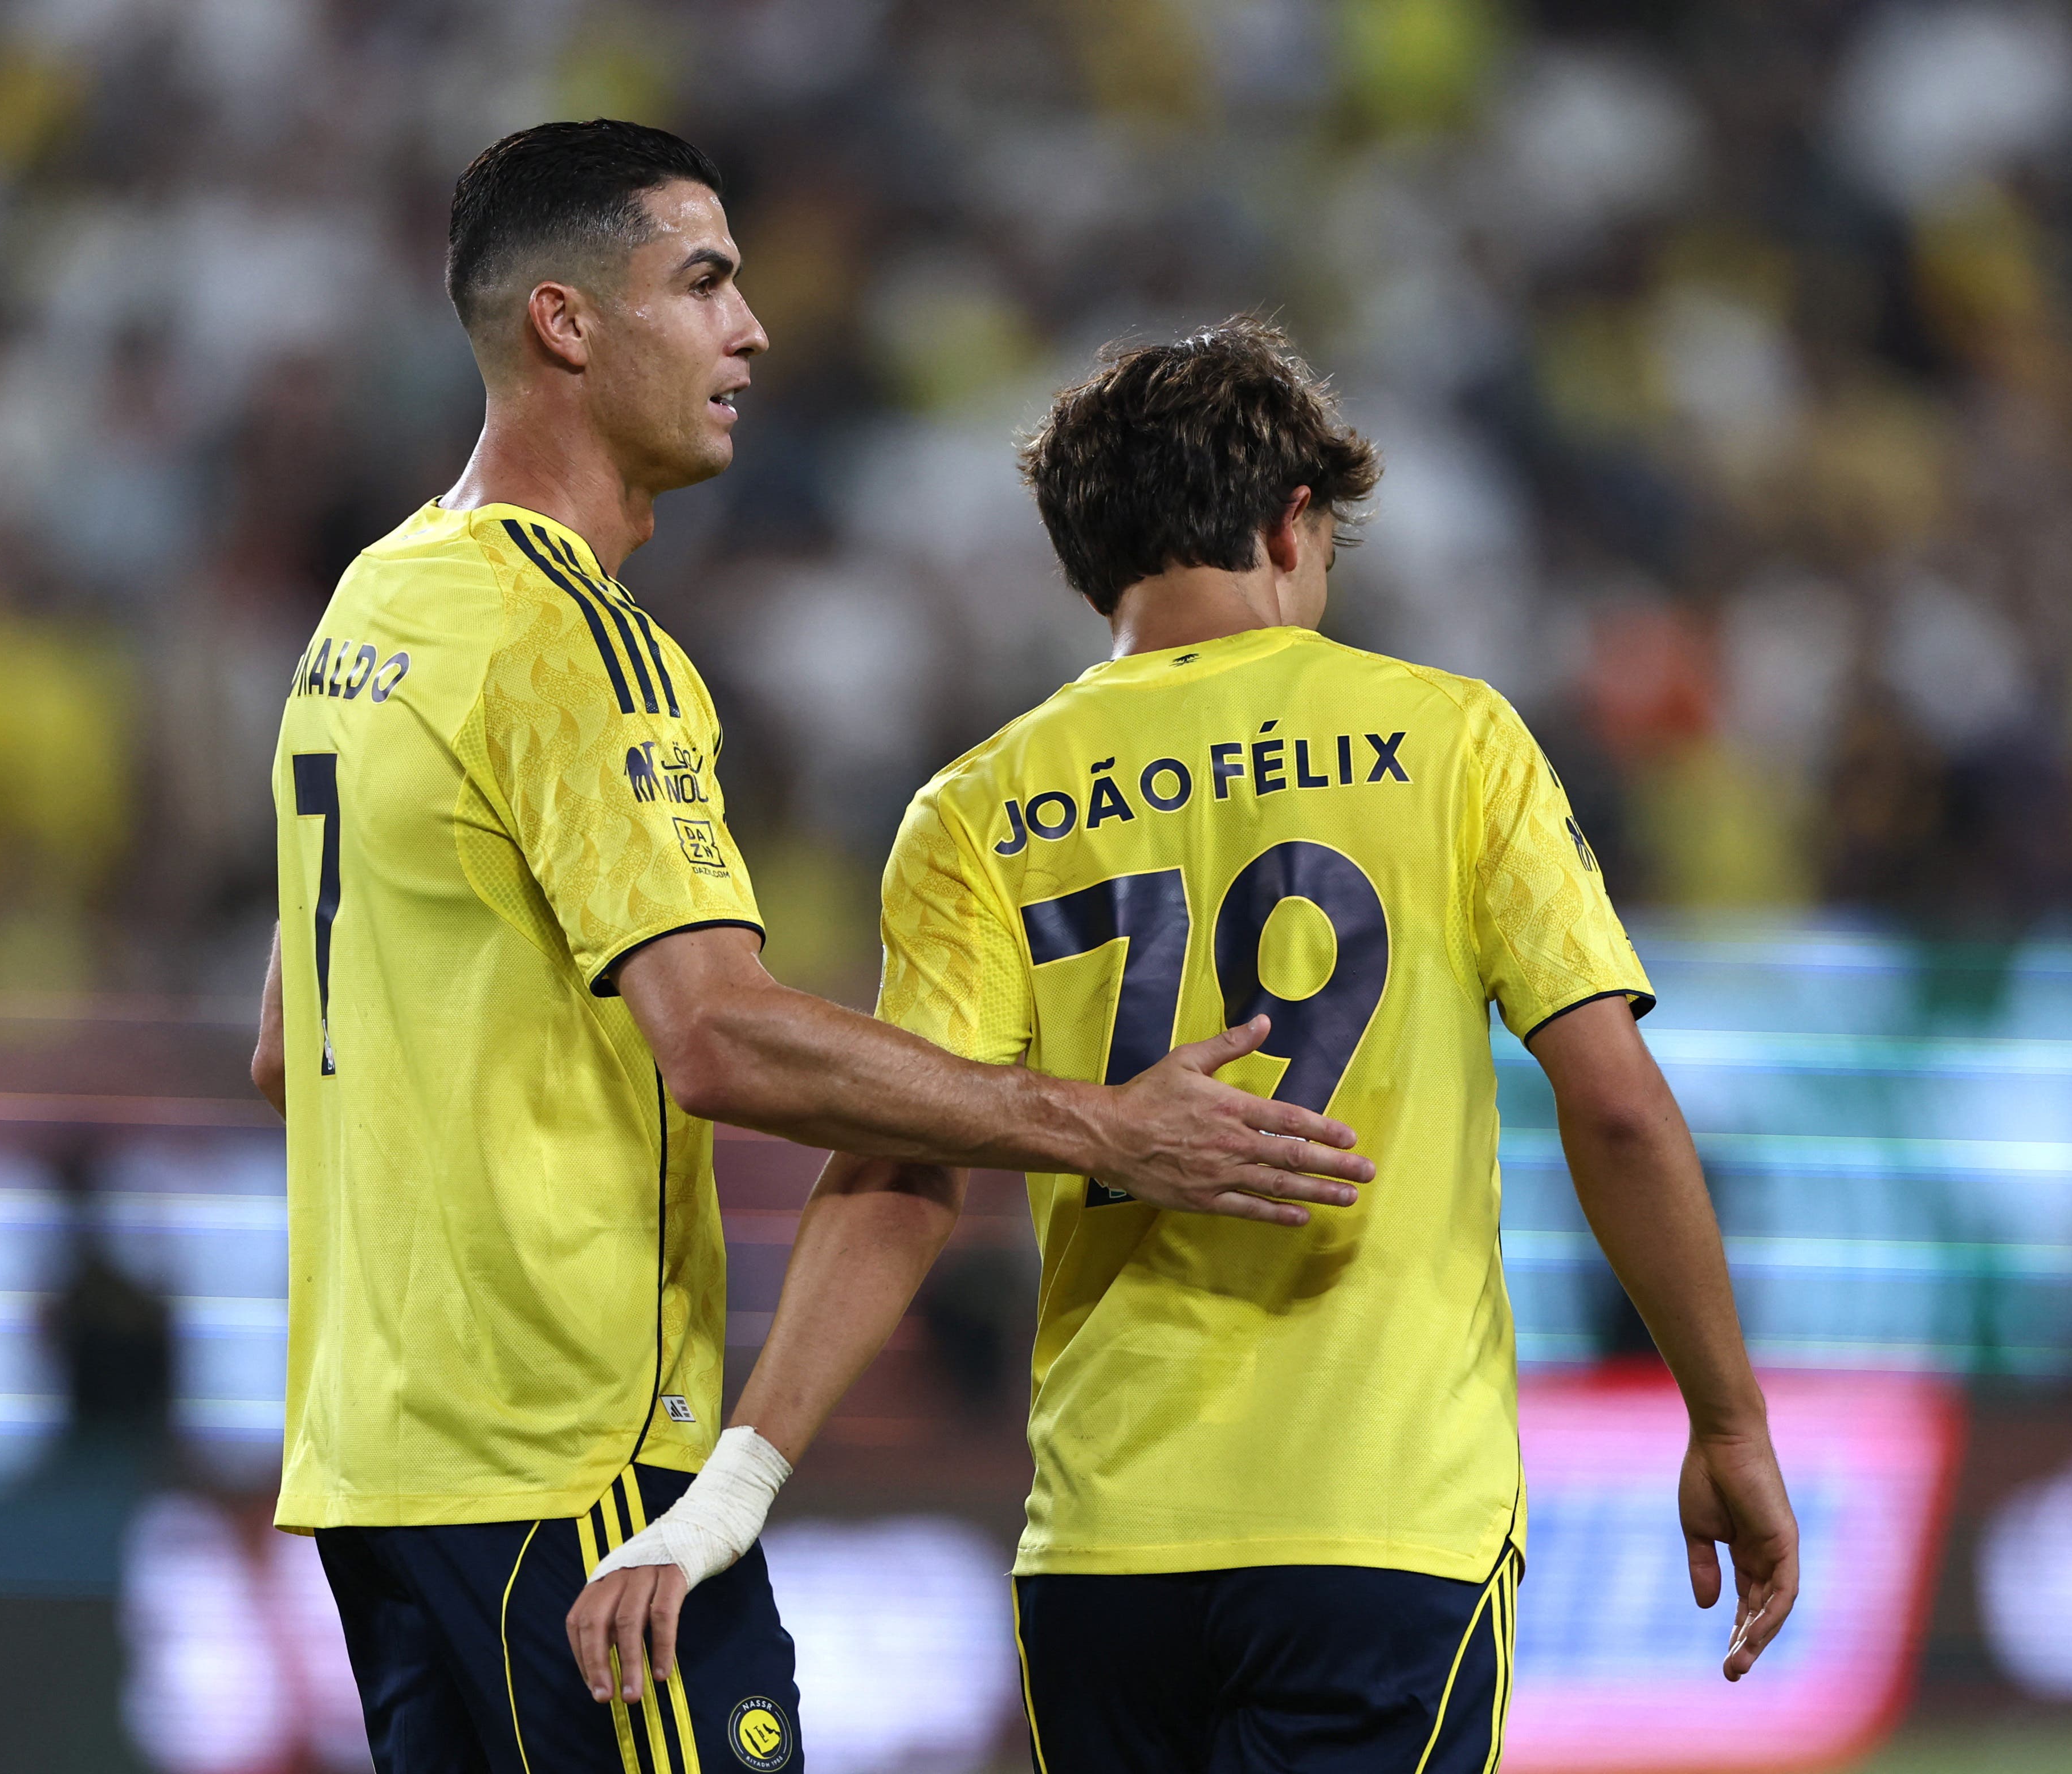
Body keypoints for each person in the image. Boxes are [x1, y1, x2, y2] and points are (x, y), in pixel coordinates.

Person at [251, 129, 1374, 1774]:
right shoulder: (576, 646)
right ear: (567, 324)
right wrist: (1102, 1124)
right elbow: (720, 1040)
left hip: (380, 1472)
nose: (752, 331)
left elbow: (291, 1041)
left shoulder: (373, 606)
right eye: (702, 283)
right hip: (569, 1469)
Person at [571, 320, 1800, 1772]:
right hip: (1380, 1523)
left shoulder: (976, 803)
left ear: (1090, 560)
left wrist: (738, 1480)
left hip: (1102, 1551)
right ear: (1291, 525)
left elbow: (899, 1167)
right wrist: (1725, 1420)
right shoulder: (1452, 739)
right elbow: (1614, 1111)